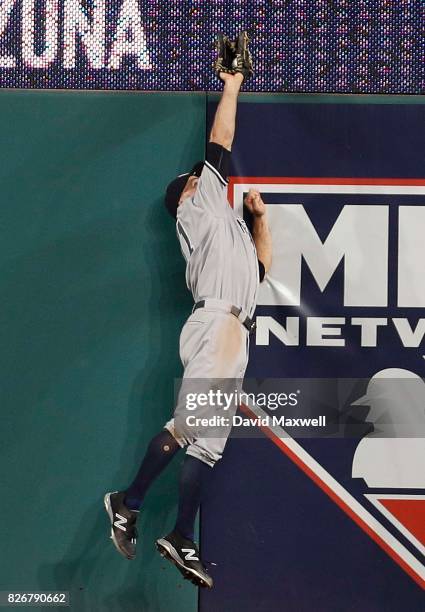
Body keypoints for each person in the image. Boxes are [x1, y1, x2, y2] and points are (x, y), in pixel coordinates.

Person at [104, 65, 272, 589]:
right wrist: (233, 82)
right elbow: (221, 139)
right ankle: (127, 502)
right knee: (187, 430)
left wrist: (259, 221)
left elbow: (263, 271)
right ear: (188, 193)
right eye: (198, 176)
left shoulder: (228, 228)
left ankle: (179, 534)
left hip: (233, 331)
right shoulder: (197, 205)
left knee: (206, 445)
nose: (205, 175)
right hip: (218, 325)